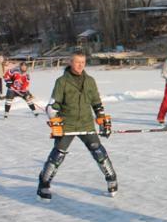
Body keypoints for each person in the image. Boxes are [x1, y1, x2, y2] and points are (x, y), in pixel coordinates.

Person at [36, 52, 118, 201]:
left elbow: (96, 103)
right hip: (67, 124)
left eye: (83, 62)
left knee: (98, 151)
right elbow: (52, 106)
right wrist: (55, 121)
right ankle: (44, 184)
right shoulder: (62, 82)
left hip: (86, 123)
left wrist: (102, 120)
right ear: (70, 62)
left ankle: (112, 179)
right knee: (57, 155)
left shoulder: (90, 81)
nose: (80, 65)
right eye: (77, 62)